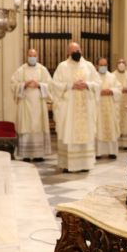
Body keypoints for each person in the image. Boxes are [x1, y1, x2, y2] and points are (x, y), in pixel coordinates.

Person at [51, 42, 100, 172]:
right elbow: (54, 85)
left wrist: (87, 84)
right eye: (73, 51)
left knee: (85, 132)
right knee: (70, 132)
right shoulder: (62, 66)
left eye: (77, 50)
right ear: (68, 52)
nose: (76, 53)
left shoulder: (89, 66)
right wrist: (70, 85)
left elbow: (98, 83)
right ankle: (68, 165)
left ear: (81, 50)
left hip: (85, 107)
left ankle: (85, 164)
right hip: (69, 108)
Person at [10, 49, 52, 162]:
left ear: (37, 56)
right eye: (30, 55)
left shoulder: (42, 70)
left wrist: (39, 85)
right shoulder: (21, 70)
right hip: (25, 103)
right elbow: (13, 84)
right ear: (26, 56)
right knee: (26, 125)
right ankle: (26, 154)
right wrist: (24, 84)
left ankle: (39, 154)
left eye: (34, 55)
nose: (32, 57)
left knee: (38, 126)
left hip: (39, 103)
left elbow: (50, 85)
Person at [95, 57, 122, 159]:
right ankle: (98, 152)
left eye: (105, 65)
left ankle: (112, 152)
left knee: (111, 127)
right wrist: (100, 92)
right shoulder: (94, 77)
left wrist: (111, 91)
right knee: (99, 128)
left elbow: (118, 89)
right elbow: (91, 89)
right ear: (97, 66)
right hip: (98, 108)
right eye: (101, 65)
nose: (103, 67)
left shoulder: (112, 77)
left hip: (110, 107)